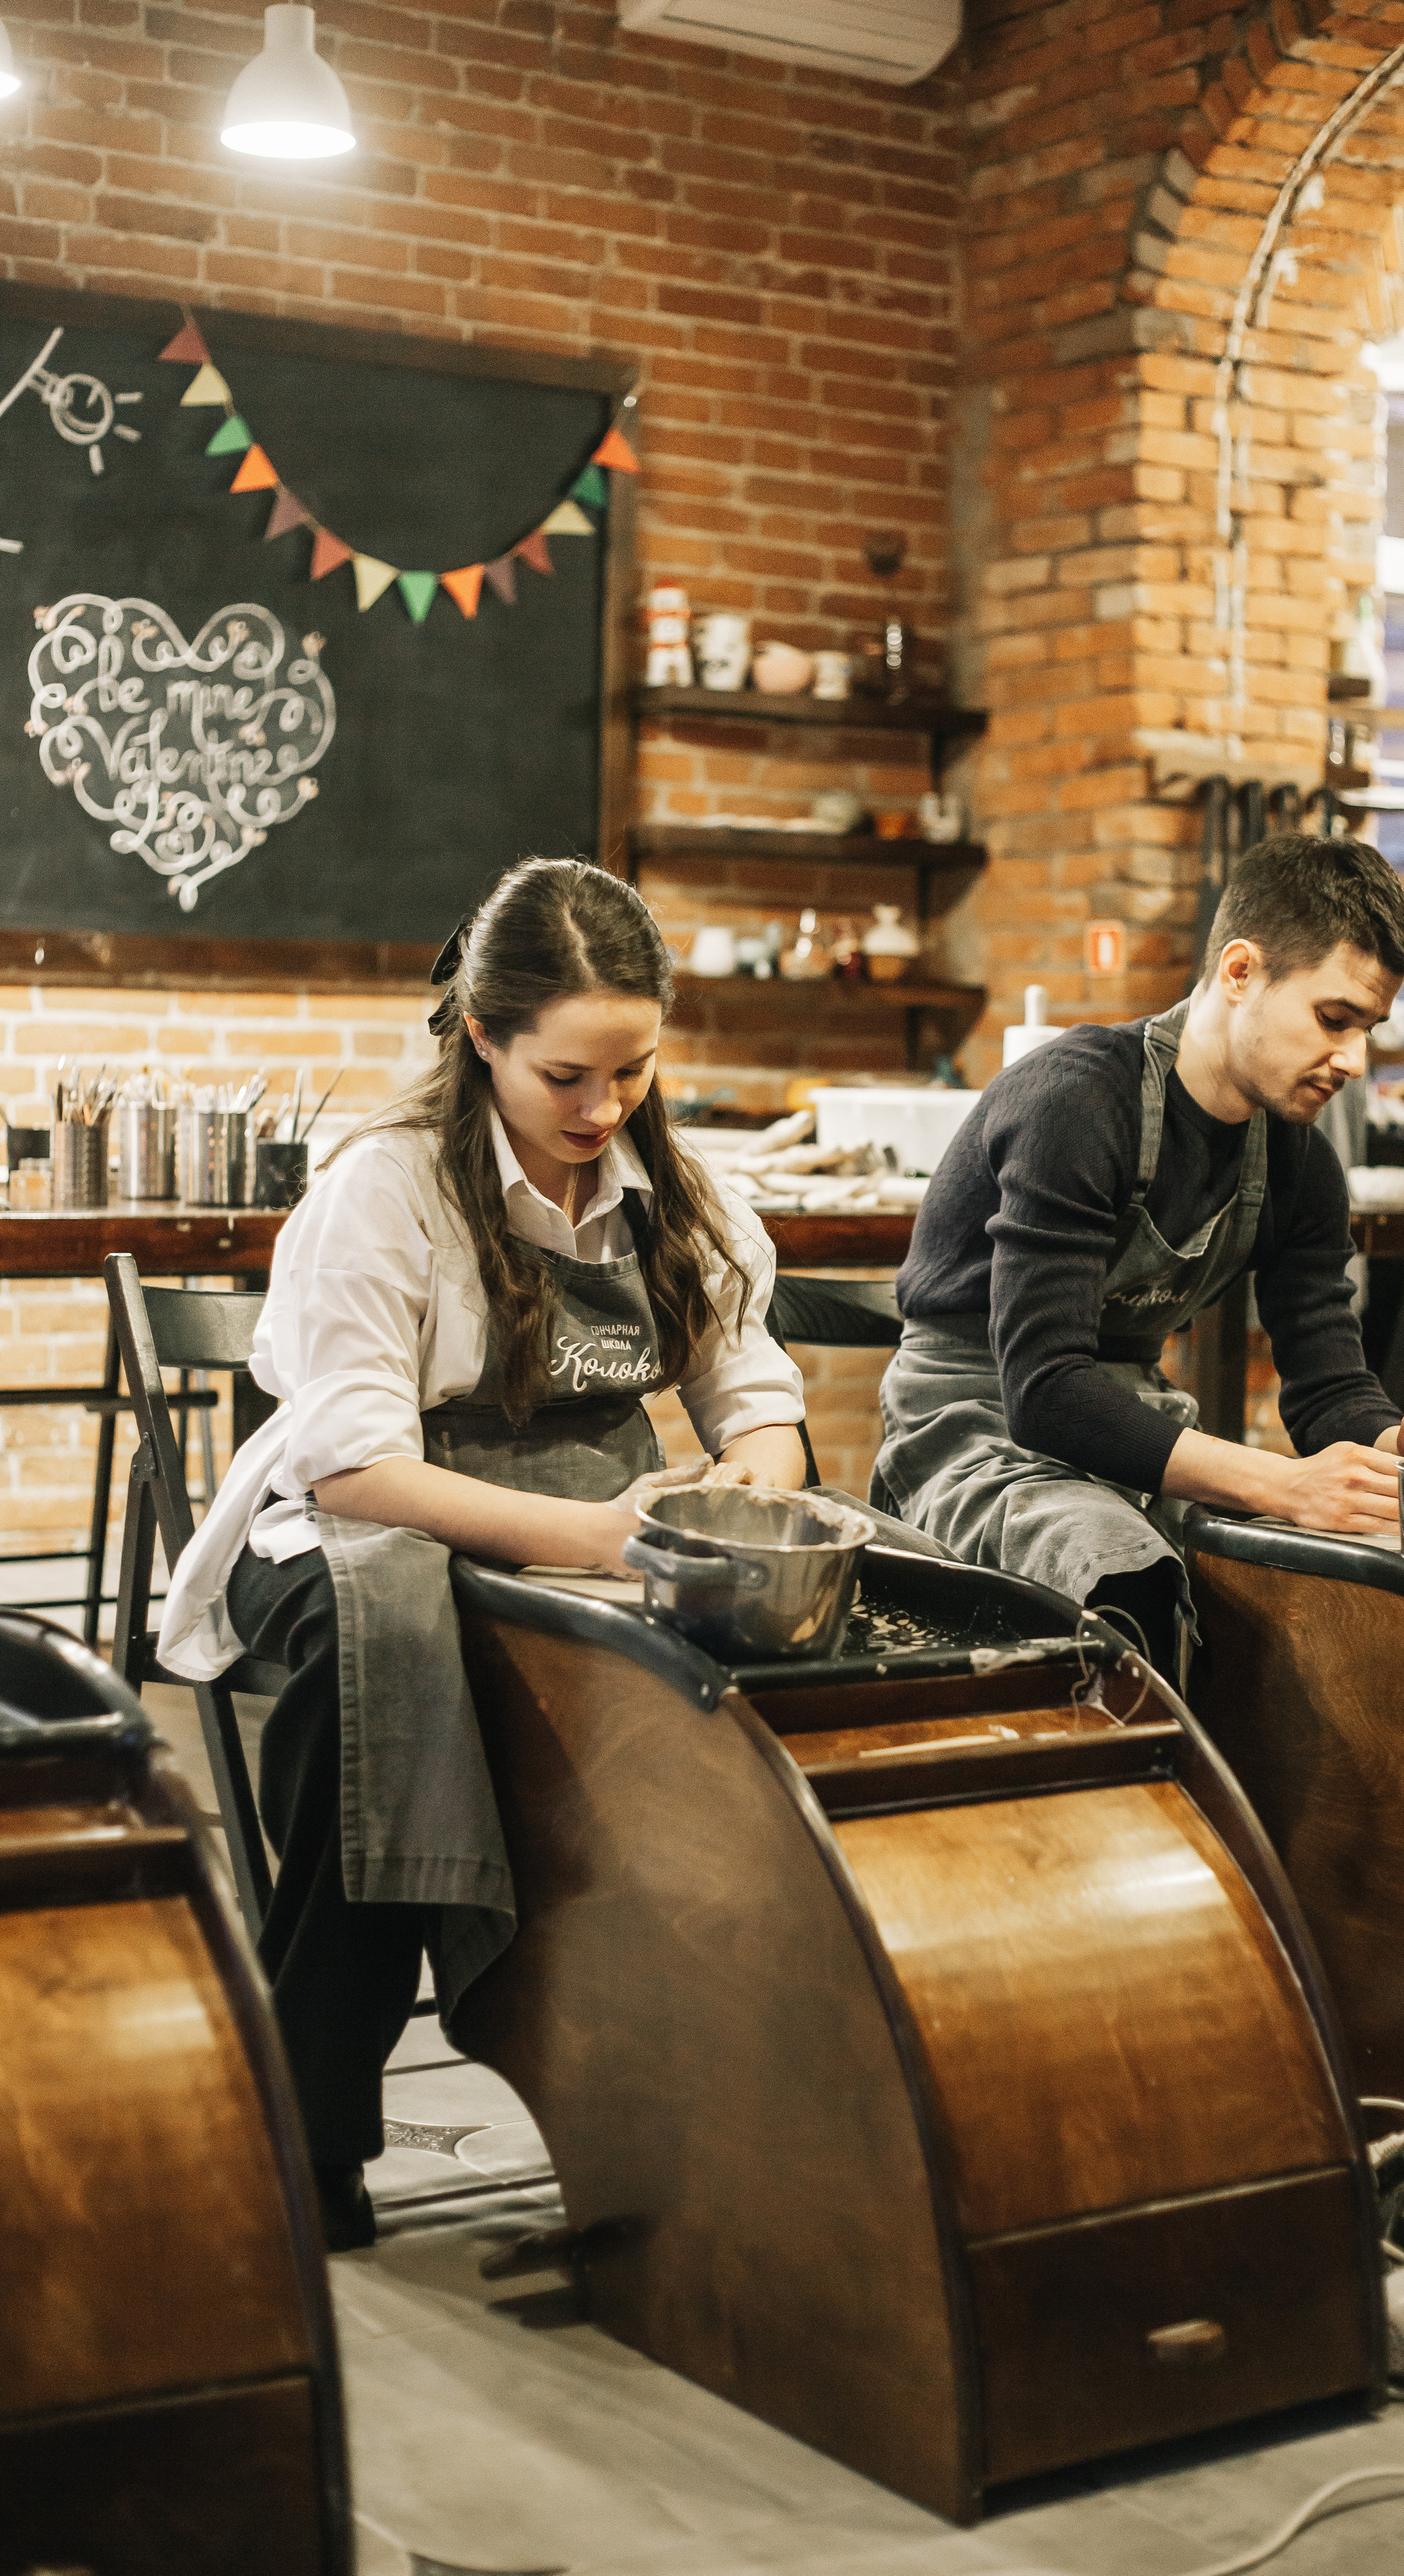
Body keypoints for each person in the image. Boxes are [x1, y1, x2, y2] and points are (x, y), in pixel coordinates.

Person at [158, 859, 807, 2248]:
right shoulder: (381, 1192)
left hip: (598, 1526)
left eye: (631, 1070)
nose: (603, 1109)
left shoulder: (676, 1194)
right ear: (481, 1038)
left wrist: (742, 1505)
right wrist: (598, 1541)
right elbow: (354, 1463)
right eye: (566, 1076)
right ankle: (310, 2125)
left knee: (746, 1684)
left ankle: (699, 2103)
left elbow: (758, 1410)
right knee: (374, 1684)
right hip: (359, 1526)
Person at [872, 833, 1404, 1672]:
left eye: (1368, 1030)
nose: (1353, 1061)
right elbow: (1047, 1393)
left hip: (1133, 1418)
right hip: (974, 1425)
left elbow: (1327, 1389)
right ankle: (1125, 1800)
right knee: (1124, 1569)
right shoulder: (1078, 1101)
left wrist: (1391, 1451)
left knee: (1343, 1572)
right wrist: (1281, 1484)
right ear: (1239, 973)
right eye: (1333, 1019)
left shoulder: (1299, 1161)